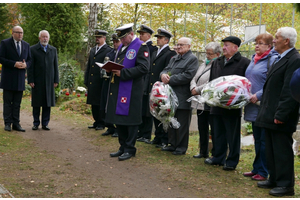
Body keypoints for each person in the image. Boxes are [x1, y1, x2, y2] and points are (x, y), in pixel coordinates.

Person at [255, 27, 300, 197]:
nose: (273, 40)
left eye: (276, 38)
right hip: (270, 112)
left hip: (281, 115)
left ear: (286, 41)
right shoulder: (281, 58)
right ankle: (274, 178)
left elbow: (289, 90)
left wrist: (281, 114)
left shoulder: (294, 59)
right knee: (272, 149)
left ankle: (286, 185)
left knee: (282, 151)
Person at [204, 36, 250, 170]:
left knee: (232, 135)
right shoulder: (217, 62)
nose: (223, 48)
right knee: (217, 133)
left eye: (227, 45)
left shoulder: (243, 62)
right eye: (223, 45)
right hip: (217, 105)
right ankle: (218, 157)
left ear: (235, 47)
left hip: (232, 107)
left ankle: (231, 161)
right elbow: (212, 82)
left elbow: (245, 85)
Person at [105, 23, 150, 161]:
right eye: (121, 38)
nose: (121, 41)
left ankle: (130, 148)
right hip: (119, 88)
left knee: (130, 121)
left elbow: (144, 68)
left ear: (131, 34)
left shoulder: (141, 47)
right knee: (119, 119)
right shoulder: (123, 47)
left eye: (124, 38)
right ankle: (122, 146)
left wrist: (123, 73)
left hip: (132, 91)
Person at [242, 33, 278, 181]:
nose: (256, 46)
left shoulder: (273, 60)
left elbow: (273, 83)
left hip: (263, 105)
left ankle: (263, 172)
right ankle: (256, 168)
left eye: (260, 43)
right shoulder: (253, 59)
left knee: (263, 140)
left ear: (269, 46)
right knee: (257, 138)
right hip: (252, 105)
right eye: (256, 43)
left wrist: (258, 94)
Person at [138, 28, 177, 146]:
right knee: (154, 111)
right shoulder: (155, 52)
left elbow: (168, 70)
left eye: (160, 38)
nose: (158, 40)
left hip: (162, 88)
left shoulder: (170, 53)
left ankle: (164, 139)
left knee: (162, 113)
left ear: (166, 40)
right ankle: (157, 137)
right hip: (153, 87)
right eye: (157, 38)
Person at [160, 37, 198, 155]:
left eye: (182, 45)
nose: (179, 46)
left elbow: (188, 75)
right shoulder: (174, 58)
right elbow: (165, 70)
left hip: (183, 95)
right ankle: (172, 144)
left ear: (189, 46)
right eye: (178, 44)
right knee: (171, 120)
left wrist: (170, 79)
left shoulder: (192, 59)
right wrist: (162, 76)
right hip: (170, 96)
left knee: (181, 123)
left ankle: (181, 147)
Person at [190, 42, 221, 159]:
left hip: (209, 101)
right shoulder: (203, 64)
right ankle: (203, 151)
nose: (207, 56)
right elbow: (194, 77)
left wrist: (197, 89)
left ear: (217, 54)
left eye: (210, 54)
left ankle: (214, 153)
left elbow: (213, 82)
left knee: (213, 128)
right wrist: (193, 87)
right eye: (206, 53)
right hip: (199, 101)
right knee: (201, 127)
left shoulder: (218, 65)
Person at [0, 25, 31, 132]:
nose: (20, 34)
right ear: (12, 33)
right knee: (8, 103)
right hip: (8, 78)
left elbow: (30, 60)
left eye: (21, 32)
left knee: (17, 103)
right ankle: (7, 123)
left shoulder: (26, 45)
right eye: (18, 32)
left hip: (20, 79)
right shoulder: (5, 43)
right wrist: (14, 64)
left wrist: (26, 65)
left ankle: (16, 123)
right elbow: (1, 58)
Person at [28, 30, 59, 131]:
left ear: (48, 38)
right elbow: (30, 66)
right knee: (36, 103)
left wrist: (56, 80)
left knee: (47, 103)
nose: (45, 39)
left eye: (46, 37)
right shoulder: (33, 49)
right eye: (43, 37)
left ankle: (45, 123)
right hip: (37, 81)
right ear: (39, 38)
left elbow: (55, 66)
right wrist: (31, 79)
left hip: (49, 81)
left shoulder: (53, 50)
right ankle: (36, 123)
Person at [84, 30, 112, 130]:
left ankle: (102, 122)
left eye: (99, 37)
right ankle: (96, 121)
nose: (97, 39)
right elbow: (89, 66)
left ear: (104, 38)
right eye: (96, 37)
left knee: (100, 102)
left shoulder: (108, 50)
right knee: (93, 102)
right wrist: (86, 79)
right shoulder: (93, 50)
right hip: (92, 80)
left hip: (100, 81)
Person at [101, 33, 121, 137]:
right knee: (107, 104)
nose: (115, 44)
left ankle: (118, 128)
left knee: (116, 105)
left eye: (117, 41)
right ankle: (109, 126)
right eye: (113, 42)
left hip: (118, 82)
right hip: (108, 81)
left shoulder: (122, 53)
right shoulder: (110, 53)